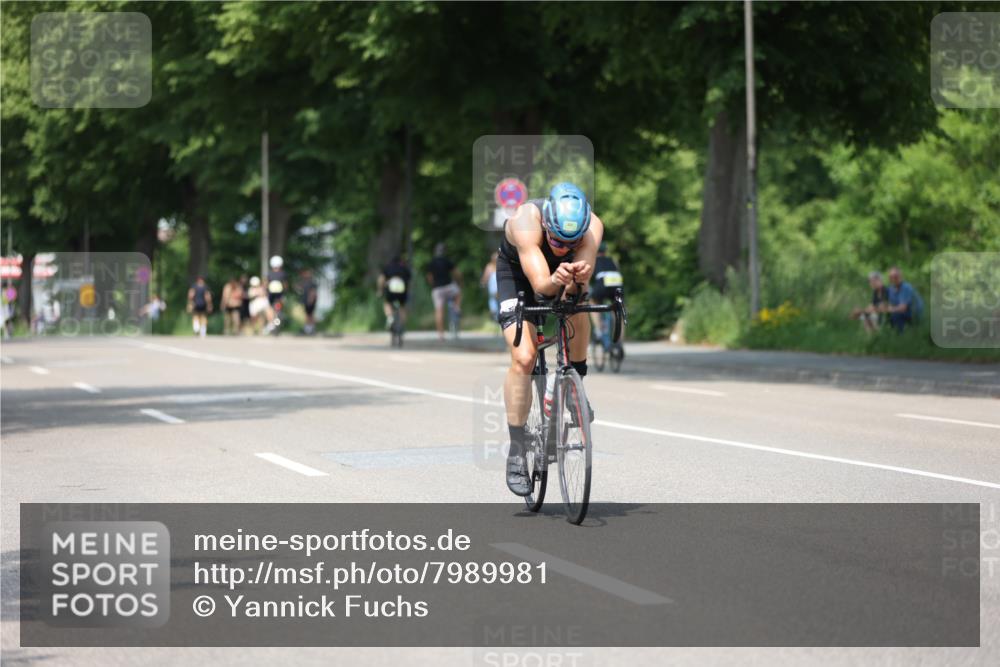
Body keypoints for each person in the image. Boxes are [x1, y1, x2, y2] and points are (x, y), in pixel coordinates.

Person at [496, 182, 604, 496]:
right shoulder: (525, 220)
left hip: (561, 276)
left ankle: (575, 385)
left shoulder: (592, 228)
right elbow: (541, 286)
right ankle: (517, 449)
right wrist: (555, 278)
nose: (560, 247)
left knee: (578, 305)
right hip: (519, 275)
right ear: (545, 224)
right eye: (555, 239)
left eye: (570, 243)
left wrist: (575, 283)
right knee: (524, 358)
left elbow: (579, 286)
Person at [588, 242, 624, 348]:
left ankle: (599, 329)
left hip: (603, 284)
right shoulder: (613, 260)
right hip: (618, 285)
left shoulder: (593, 260)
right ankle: (619, 340)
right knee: (618, 310)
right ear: (605, 251)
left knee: (593, 302)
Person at [426, 243, 462, 340]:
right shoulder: (447, 261)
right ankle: (457, 307)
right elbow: (457, 273)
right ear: (444, 251)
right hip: (449, 286)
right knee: (458, 293)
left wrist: (433, 285)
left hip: (437, 289)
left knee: (439, 311)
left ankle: (441, 335)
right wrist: (459, 282)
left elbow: (429, 277)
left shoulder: (432, 262)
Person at [883, 266, 924, 333]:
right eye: (891, 277)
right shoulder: (891, 288)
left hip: (914, 313)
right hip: (903, 311)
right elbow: (885, 302)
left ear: (900, 276)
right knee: (885, 315)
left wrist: (889, 309)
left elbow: (903, 308)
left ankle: (900, 334)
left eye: (896, 276)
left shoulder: (906, 287)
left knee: (895, 314)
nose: (893, 279)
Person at [378, 254, 412, 330]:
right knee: (402, 307)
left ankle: (390, 317)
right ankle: (402, 326)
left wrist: (380, 290)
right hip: (402, 289)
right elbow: (409, 281)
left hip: (391, 288)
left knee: (387, 303)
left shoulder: (388, 267)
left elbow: (381, 279)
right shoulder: (404, 268)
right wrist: (408, 291)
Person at [265, 255, 287, 333]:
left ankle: (271, 323)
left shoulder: (269, 273)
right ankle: (279, 318)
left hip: (271, 294)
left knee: (269, 308)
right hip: (280, 295)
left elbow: (266, 284)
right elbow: (285, 285)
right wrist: (285, 291)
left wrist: (266, 291)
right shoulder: (283, 274)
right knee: (280, 307)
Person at [480, 251, 499, 321]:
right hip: (499, 288)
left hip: (493, 289)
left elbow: (485, 277)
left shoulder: (489, 267)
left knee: (492, 300)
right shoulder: (501, 266)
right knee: (498, 301)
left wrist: (483, 283)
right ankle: (498, 315)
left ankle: (494, 313)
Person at [300, 269, 319, 335]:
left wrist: (311, 299)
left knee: (310, 315)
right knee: (307, 314)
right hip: (306, 301)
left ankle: (311, 328)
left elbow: (313, 292)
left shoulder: (312, 283)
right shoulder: (305, 282)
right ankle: (307, 328)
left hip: (310, 301)